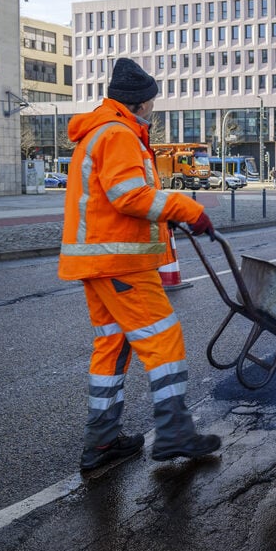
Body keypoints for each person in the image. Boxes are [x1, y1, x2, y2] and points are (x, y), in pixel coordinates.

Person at [59, 58, 222, 472]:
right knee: (163, 339)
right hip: (121, 261)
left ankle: (101, 443)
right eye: (152, 102)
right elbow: (129, 195)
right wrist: (187, 209)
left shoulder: (100, 131)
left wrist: (166, 214)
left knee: (111, 347)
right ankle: (174, 433)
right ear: (142, 102)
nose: (153, 109)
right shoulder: (118, 134)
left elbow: (117, 197)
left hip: (99, 261)